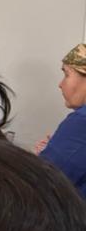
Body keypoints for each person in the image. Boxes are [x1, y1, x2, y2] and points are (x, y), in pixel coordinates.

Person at [36, 42, 86, 199]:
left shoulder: (81, 121)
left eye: (67, 74)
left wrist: (40, 159)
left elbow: (44, 183)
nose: (60, 84)